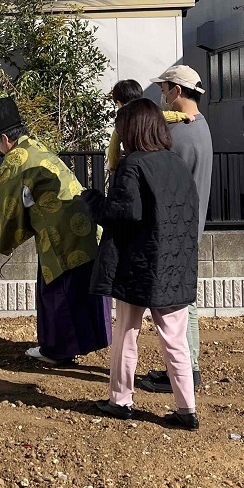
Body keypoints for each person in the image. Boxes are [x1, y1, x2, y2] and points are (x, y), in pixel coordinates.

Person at [0, 97, 111, 365]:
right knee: (78, 289)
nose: (0, 148)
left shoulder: (18, 154)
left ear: (5, 139)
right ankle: (77, 343)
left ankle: (58, 350)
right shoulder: (34, 147)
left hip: (61, 234)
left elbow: (0, 192)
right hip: (83, 225)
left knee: (58, 291)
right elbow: (4, 185)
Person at [84, 98, 199, 429]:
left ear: (131, 130)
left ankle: (120, 400)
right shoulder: (176, 162)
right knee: (175, 338)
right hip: (175, 264)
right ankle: (186, 409)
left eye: (121, 129)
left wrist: (93, 202)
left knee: (126, 333)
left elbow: (125, 213)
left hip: (137, 263)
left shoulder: (132, 165)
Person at [136, 64, 213, 396]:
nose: (163, 96)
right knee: (184, 305)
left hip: (173, 232)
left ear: (177, 91)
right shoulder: (200, 127)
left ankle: (184, 373)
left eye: (165, 89)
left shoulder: (179, 135)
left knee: (176, 308)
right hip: (189, 230)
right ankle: (187, 369)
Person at [106, 79, 144, 172]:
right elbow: (164, 115)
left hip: (134, 163)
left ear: (119, 103)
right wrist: (182, 115)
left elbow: (113, 148)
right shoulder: (151, 115)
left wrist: (113, 165)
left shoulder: (122, 122)